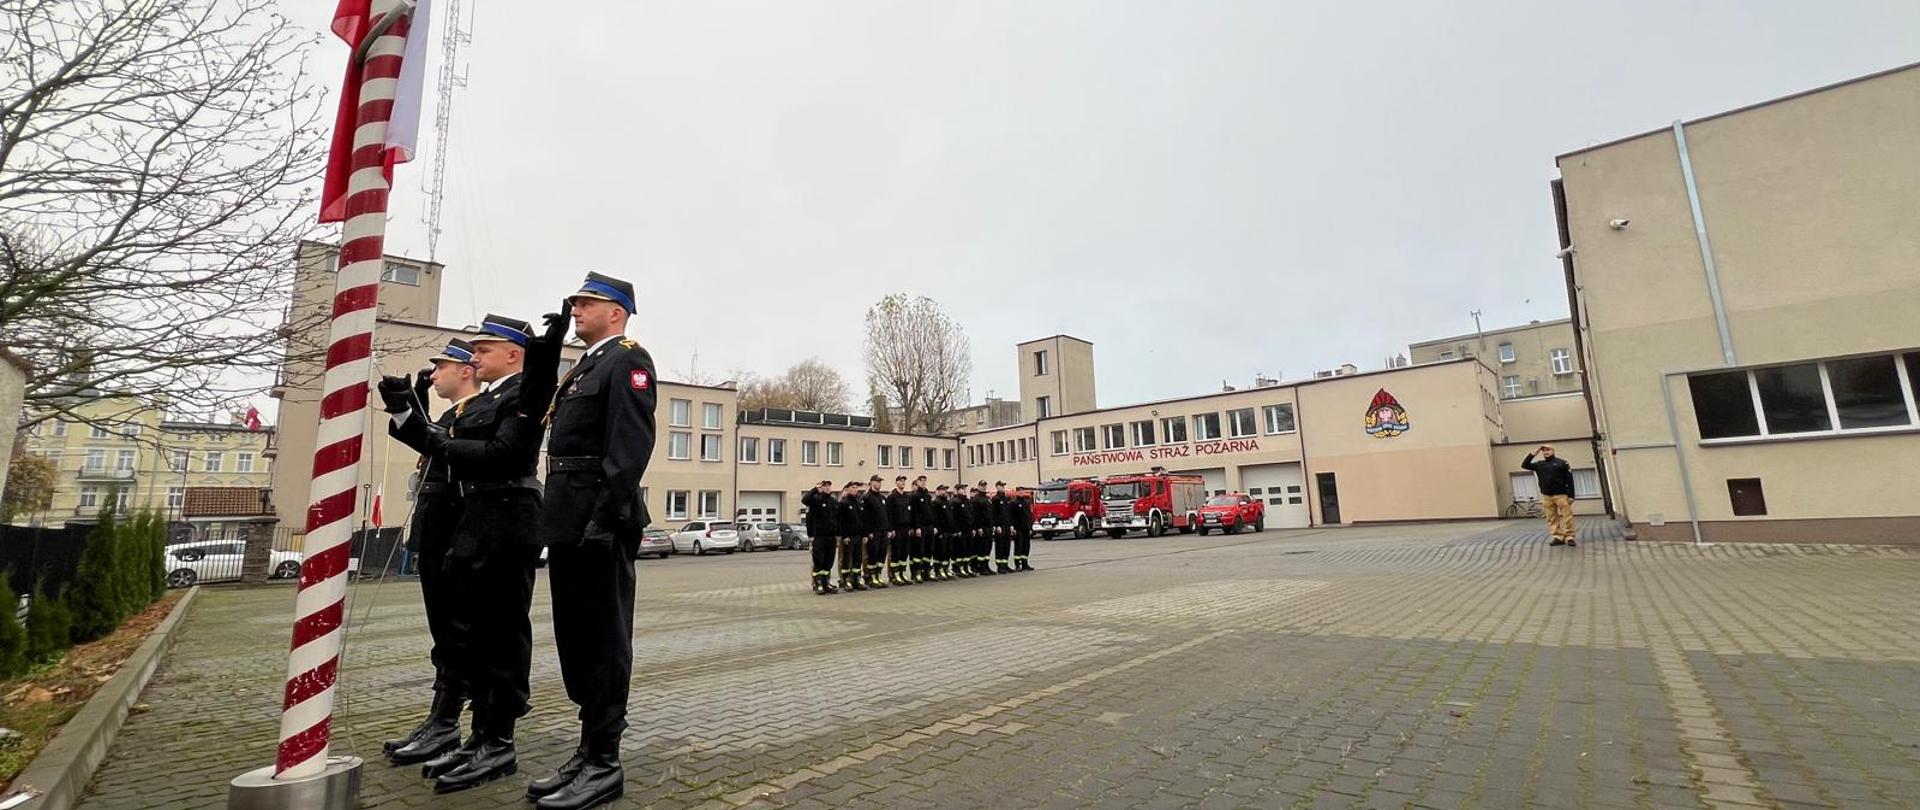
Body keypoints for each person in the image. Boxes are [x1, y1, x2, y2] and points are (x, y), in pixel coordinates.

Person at [383, 316, 542, 793]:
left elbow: (495, 454)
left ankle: (494, 738)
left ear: (514, 353)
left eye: (483, 350)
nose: (473, 359)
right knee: (467, 636)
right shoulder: (491, 397)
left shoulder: (519, 394)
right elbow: (448, 446)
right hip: (472, 528)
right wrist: (407, 413)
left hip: (501, 526)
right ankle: (473, 732)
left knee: (497, 636)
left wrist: (425, 429)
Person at [522, 274, 657, 810]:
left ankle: (605, 759)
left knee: (603, 638)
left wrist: (607, 517)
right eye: (576, 301)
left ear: (617, 311)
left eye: (586, 302)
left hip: (599, 519)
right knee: (576, 638)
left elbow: (630, 444)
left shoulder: (628, 359)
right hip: (568, 518)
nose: (575, 309)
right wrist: (544, 353)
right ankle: (587, 747)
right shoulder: (584, 365)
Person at [379, 339, 478, 767]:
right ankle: (441, 716)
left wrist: (412, 406)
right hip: (436, 533)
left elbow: (441, 445)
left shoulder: (478, 412)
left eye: (441, 368)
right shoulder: (450, 414)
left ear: (465, 370)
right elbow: (425, 440)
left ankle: (449, 721)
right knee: (443, 632)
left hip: (458, 533)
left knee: (457, 631)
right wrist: (412, 400)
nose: (434, 375)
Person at [1522, 444, 1577, 547]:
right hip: (1547, 496)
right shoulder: (1539, 464)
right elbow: (1524, 465)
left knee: (1567, 516)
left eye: (1548, 450)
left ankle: (1569, 537)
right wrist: (1533, 454)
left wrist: (1571, 495)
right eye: (1543, 450)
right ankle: (1558, 537)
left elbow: (1570, 480)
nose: (1546, 452)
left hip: (1561, 495)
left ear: (1553, 451)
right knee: (1551, 518)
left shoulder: (1562, 463)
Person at [800, 481, 838, 595]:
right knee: (819, 561)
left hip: (831, 537)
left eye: (828, 486)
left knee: (828, 561)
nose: (827, 488)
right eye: (824, 486)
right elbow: (805, 500)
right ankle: (818, 584)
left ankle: (826, 583)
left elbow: (838, 519)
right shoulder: (816, 500)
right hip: (819, 536)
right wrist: (815, 489)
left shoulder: (833, 501)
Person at [836, 482, 867, 591]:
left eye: (856, 488)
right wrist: (844, 536)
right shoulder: (844, 503)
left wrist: (864, 534)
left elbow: (863, 520)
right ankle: (846, 580)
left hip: (858, 535)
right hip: (848, 536)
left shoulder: (858, 502)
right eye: (853, 488)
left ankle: (856, 579)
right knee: (847, 559)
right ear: (847, 489)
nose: (855, 490)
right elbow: (841, 522)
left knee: (857, 559)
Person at [863, 475, 892, 589]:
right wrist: (868, 531)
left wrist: (889, 529)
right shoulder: (867, 498)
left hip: (883, 531)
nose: (879, 484)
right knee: (872, 555)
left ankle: (878, 575)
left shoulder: (882, 498)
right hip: (873, 532)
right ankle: (871, 577)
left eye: (880, 482)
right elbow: (865, 517)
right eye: (877, 482)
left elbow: (887, 515)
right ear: (871, 483)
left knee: (882, 554)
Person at [886, 476, 914, 586]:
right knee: (896, 552)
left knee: (904, 552)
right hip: (896, 529)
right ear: (896, 482)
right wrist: (891, 529)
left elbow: (910, 513)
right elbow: (889, 514)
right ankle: (894, 575)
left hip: (906, 529)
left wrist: (911, 527)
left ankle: (902, 573)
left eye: (904, 481)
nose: (903, 483)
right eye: (900, 481)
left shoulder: (907, 497)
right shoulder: (892, 497)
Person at [909, 476, 934, 582]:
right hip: (921, 527)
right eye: (921, 481)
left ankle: (926, 571)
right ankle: (917, 573)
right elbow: (914, 514)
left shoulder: (928, 496)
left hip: (929, 527)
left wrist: (934, 526)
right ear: (917, 482)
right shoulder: (915, 496)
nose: (923, 483)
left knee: (929, 550)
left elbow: (931, 513)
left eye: (925, 481)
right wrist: (917, 527)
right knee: (918, 551)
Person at [947, 483, 974, 578]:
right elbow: (953, 518)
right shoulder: (954, 501)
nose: (963, 490)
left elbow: (970, 516)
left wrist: (972, 528)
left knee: (968, 550)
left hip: (968, 529)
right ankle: (958, 568)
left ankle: (967, 567)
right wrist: (956, 530)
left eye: (964, 489)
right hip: (960, 530)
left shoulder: (967, 501)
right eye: (961, 489)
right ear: (957, 490)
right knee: (959, 550)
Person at [970, 482, 996, 576]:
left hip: (989, 526)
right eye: (982, 486)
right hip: (982, 527)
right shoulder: (976, 499)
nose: (984, 487)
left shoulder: (987, 499)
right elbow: (975, 515)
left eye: (985, 486)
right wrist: (978, 527)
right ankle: (981, 567)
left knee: (988, 547)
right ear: (978, 487)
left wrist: (993, 525)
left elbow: (991, 513)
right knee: (982, 548)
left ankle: (986, 565)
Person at [991, 482, 1016, 575]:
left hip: (1007, 526)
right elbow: (993, 514)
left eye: (1003, 486)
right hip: (1000, 527)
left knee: (1007, 546)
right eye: (1001, 486)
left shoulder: (1006, 499)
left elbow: (1009, 514)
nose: (1002, 488)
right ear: (997, 487)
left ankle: (1005, 564)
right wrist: (996, 525)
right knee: (1000, 547)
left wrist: (1011, 525)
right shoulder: (995, 499)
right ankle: (1000, 566)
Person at [1011, 489, 1036, 572]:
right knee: (1018, 547)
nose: (1021, 493)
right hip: (1018, 529)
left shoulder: (1026, 503)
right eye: (1019, 492)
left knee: (1026, 547)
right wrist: (1013, 527)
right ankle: (1017, 565)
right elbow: (1012, 517)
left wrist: (1030, 528)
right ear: (1016, 493)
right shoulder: (1014, 503)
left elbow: (1029, 516)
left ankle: (1025, 564)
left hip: (1026, 528)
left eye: (1022, 492)